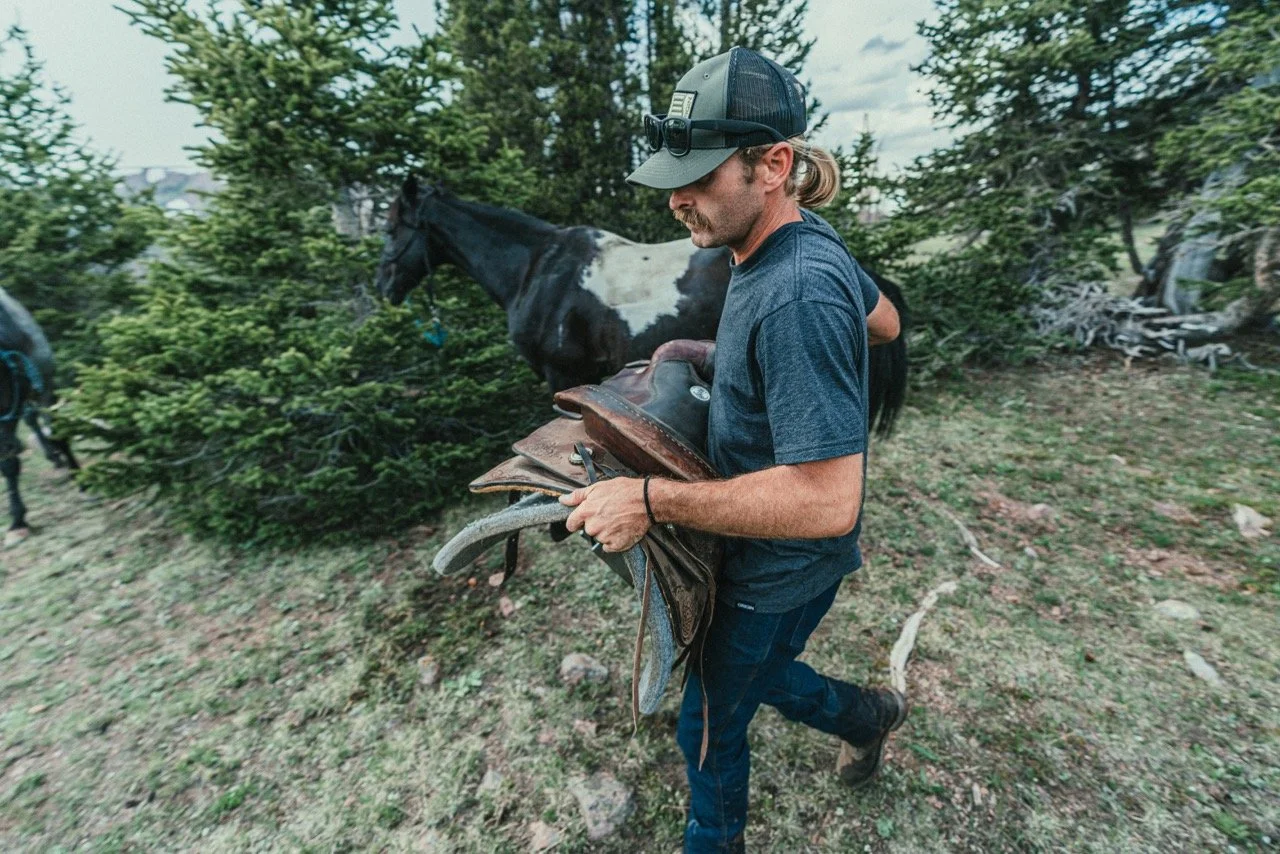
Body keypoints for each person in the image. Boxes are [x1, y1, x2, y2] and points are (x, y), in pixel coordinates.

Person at [560, 46, 903, 853]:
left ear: (772, 164)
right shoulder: (795, 243)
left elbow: (827, 501)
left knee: (707, 728)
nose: (677, 199)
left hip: (775, 569)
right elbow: (885, 320)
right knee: (749, 678)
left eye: (700, 176)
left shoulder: (797, 288)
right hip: (780, 565)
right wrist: (724, 358)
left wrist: (648, 500)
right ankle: (869, 714)